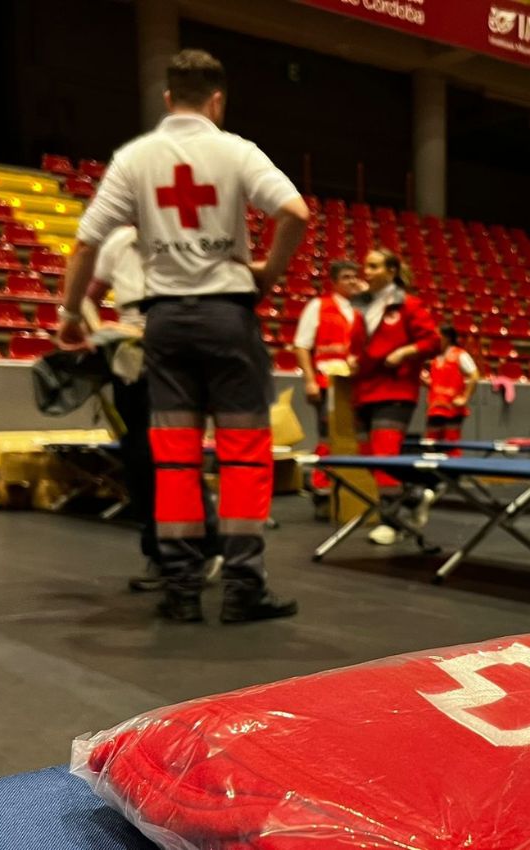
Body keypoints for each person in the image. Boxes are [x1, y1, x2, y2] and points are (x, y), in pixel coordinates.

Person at [56, 49, 309, 623]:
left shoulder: (135, 158)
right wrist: (267, 274)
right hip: (228, 319)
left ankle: (181, 590)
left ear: (168, 98)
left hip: (165, 323)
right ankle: (243, 589)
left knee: (173, 460)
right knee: (244, 457)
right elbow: (295, 212)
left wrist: (71, 313)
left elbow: (86, 242)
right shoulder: (237, 150)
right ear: (217, 100)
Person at [85, 225, 221, 592]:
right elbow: (86, 296)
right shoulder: (117, 243)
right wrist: (100, 330)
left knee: (176, 455)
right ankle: (159, 554)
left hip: (176, 357)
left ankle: (204, 546)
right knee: (138, 458)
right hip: (128, 364)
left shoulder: (187, 240)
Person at [348, 247, 441, 545]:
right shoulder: (361, 307)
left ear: (392, 271)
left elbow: (433, 341)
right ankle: (415, 496)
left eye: (374, 266)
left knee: (385, 456)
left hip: (396, 390)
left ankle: (392, 523)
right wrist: (352, 360)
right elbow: (357, 346)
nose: (367, 272)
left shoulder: (409, 305)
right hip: (364, 390)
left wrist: (404, 352)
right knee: (369, 459)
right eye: (366, 266)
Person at [293, 260, 361, 517]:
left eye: (354, 276)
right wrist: (309, 380)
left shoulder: (362, 309)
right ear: (334, 282)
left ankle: (352, 493)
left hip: (356, 385)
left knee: (355, 441)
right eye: (346, 277)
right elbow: (302, 346)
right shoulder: (318, 306)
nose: (352, 281)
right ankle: (322, 492)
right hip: (327, 383)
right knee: (327, 437)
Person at [421, 325, 480, 454]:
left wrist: (465, 397)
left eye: (438, 336)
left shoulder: (460, 355)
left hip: (452, 408)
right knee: (430, 445)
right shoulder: (435, 357)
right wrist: (425, 382)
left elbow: (474, 376)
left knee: (450, 446)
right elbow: (436, 382)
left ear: (447, 338)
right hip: (435, 408)